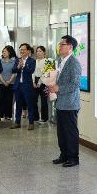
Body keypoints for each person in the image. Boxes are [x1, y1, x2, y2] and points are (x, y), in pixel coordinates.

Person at [50, 35, 82, 167]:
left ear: (70, 47)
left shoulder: (74, 63)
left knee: (70, 132)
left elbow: (75, 84)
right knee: (61, 132)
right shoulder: (60, 60)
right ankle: (63, 155)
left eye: (62, 44)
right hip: (60, 102)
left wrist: (58, 88)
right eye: (59, 44)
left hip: (70, 103)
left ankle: (73, 158)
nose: (59, 46)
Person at [10, 43, 36, 130]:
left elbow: (31, 71)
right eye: (20, 49)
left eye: (23, 49)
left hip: (27, 86)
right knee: (18, 105)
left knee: (29, 104)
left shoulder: (32, 61)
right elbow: (13, 70)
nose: (22, 51)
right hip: (18, 85)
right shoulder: (17, 60)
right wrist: (18, 66)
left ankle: (31, 123)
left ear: (28, 51)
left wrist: (23, 66)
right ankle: (17, 122)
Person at [0, 46, 16, 121]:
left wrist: (9, 81)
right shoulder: (0, 61)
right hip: (1, 83)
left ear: (9, 52)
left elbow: (14, 73)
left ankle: (8, 115)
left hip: (11, 83)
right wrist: (3, 81)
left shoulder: (13, 61)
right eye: (3, 51)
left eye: (5, 51)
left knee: (9, 99)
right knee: (0, 99)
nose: (4, 53)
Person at [32, 46, 49, 123]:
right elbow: (32, 72)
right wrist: (33, 82)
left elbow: (46, 73)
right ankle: (35, 117)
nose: (38, 53)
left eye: (40, 51)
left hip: (44, 82)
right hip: (34, 81)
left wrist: (39, 82)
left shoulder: (47, 61)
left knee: (44, 101)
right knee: (33, 100)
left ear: (44, 52)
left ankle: (44, 118)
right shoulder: (34, 61)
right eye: (37, 51)